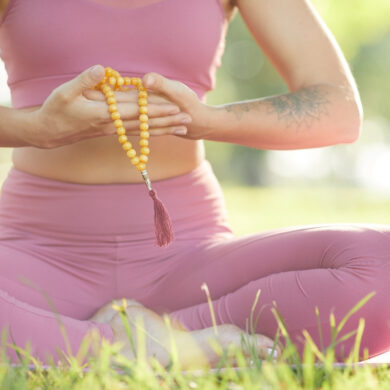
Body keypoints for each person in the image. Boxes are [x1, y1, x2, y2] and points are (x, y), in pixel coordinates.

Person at [0, 0, 388, 367]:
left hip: (187, 261)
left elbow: (338, 111)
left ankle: (103, 341)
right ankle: (167, 346)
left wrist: (207, 120)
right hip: (31, 259)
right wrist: (36, 128)